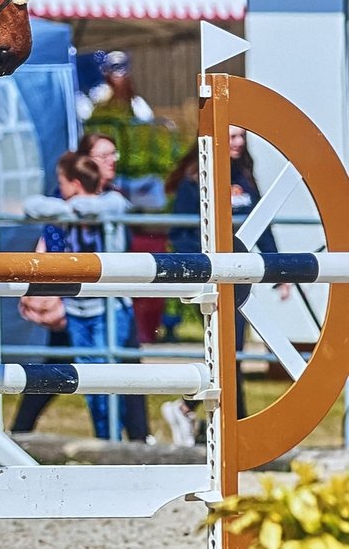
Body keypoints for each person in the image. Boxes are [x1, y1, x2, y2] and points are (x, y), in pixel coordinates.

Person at [159, 126, 291, 446]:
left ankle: (218, 423)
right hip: (212, 278)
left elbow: (263, 226)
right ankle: (211, 417)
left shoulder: (245, 175)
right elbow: (180, 235)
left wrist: (279, 270)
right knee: (227, 352)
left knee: (233, 354)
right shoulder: (194, 182)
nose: (238, 142)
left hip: (241, 278)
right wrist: (202, 269)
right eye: (232, 137)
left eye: (242, 137)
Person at [23, 152, 144, 440]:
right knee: (91, 384)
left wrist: (68, 208)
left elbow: (99, 209)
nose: (59, 189)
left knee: (112, 380)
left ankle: (119, 440)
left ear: (75, 183)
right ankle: (106, 440)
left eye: (62, 183)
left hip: (108, 308)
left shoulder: (111, 202)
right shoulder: (67, 206)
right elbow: (31, 206)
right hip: (77, 309)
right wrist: (68, 208)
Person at [77, 50, 154, 123]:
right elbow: (85, 116)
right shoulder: (99, 94)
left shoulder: (137, 103)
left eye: (121, 68)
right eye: (114, 68)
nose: (117, 75)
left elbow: (147, 120)